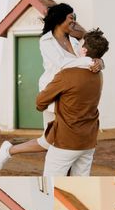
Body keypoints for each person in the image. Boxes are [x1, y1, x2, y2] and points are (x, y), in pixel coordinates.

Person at [0, 3, 103, 172]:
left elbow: (86, 57)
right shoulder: (46, 41)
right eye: (70, 17)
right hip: (53, 94)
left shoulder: (74, 41)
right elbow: (62, 65)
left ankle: (9, 150)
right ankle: (9, 150)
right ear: (60, 19)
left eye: (75, 17)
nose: (74, 21)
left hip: (70, 95)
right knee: (52, 142)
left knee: (51, 142)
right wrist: (89, 62)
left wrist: (99, 61)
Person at [36, 28, 109, 176]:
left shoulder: (66, 75)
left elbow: (40, 102)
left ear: (83, 50)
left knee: (50, 178)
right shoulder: (98, 74)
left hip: (66, 140)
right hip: (88, 141)